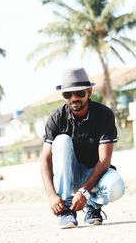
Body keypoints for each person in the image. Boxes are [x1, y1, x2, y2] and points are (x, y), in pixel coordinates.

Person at [41, 67, 125, 229]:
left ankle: (93, 206)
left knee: (116, 186)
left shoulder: (104, 114)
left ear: (89, 91)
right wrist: (51, 195)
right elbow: (45, 159)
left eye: (79, 93)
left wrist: (85, 192)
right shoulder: (56, 118)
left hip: (95, 174)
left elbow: (104, 160)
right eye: (68, 94)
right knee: (62, 140)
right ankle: (66, 209)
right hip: (68, 176)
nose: (74, 98)